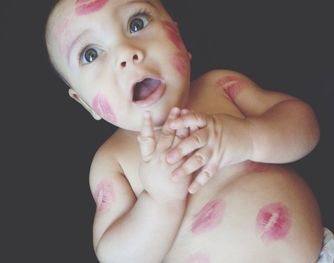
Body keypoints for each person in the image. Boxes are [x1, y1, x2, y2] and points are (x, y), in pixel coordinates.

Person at [45, 0, 334, 262]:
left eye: (137, 24)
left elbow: (305, 125)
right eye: (91, 54)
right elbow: (116, 256)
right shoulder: (113, 161)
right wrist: (159, 200)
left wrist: (248, 136)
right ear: (84, 103)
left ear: (180, 39)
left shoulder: (220, 87)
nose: (126, 53)